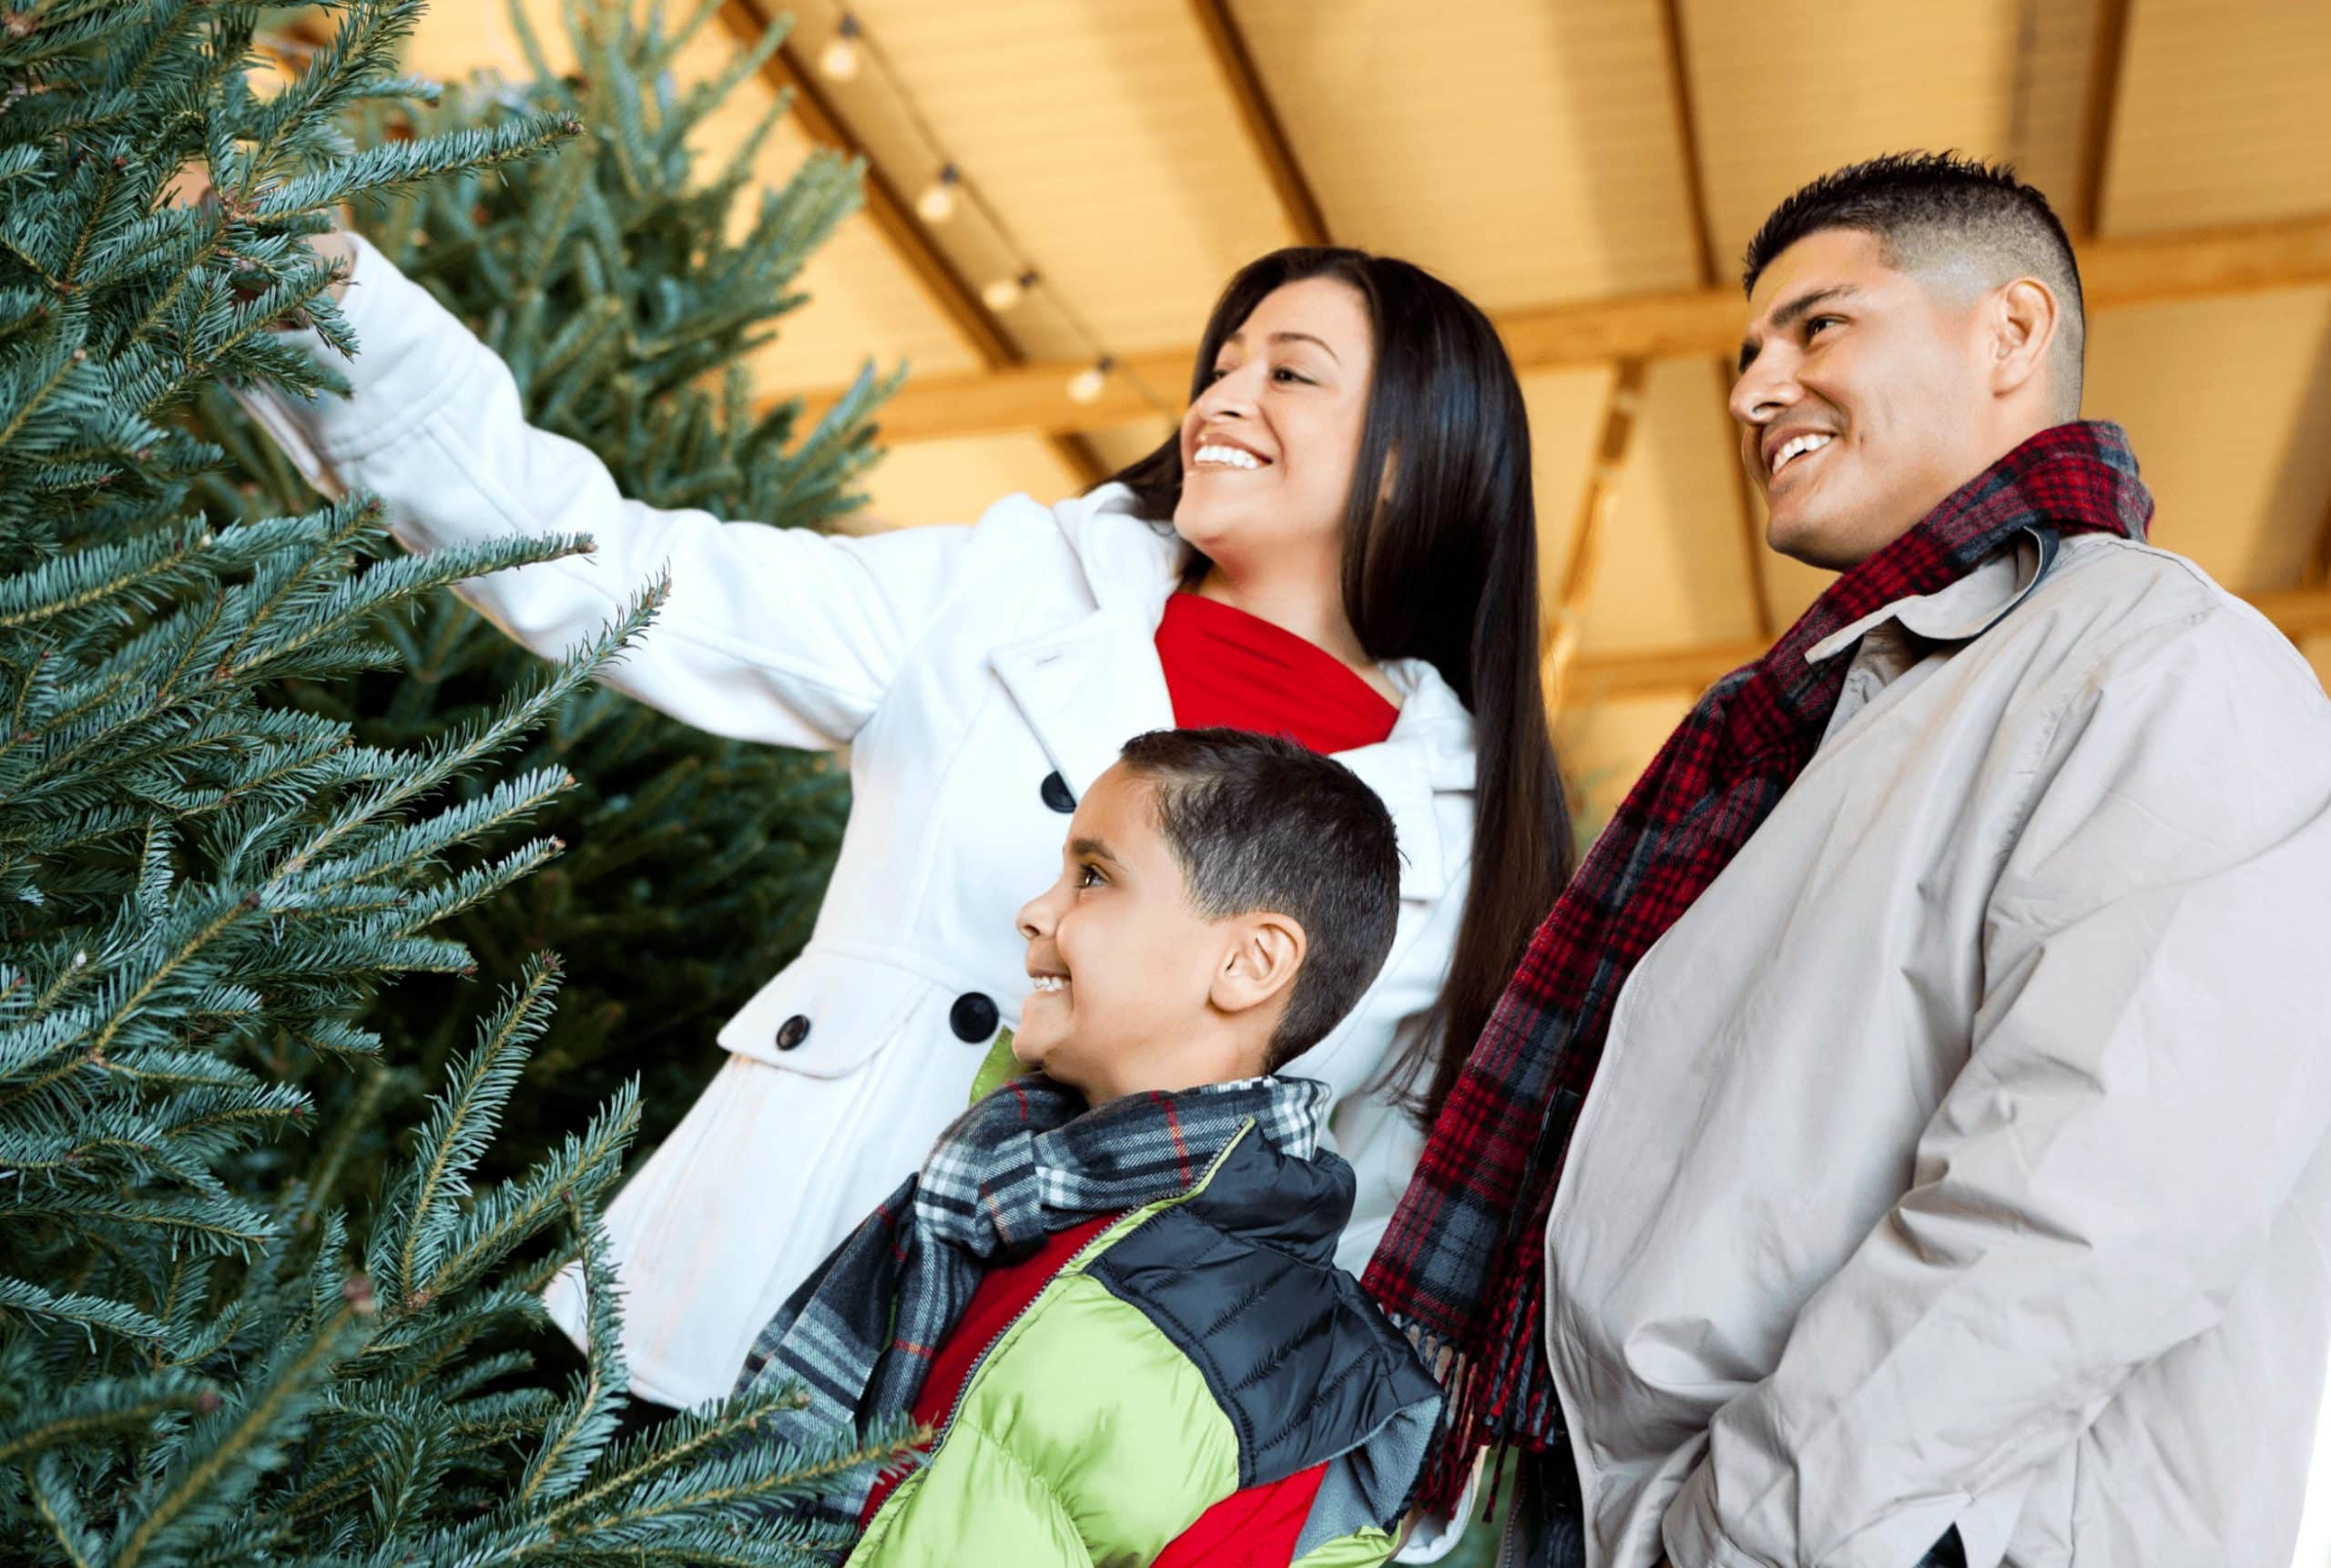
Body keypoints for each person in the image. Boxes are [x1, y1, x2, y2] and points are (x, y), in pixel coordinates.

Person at [240, 229, 1569, 1415]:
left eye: (1291, 371)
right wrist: (326, 303)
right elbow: (619, 570)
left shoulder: (1457, 831)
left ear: (1419, 454)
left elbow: (1366, 1226)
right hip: (744, 1320)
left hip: (1043, 1437)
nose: (1223, 394)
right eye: (1223, 362)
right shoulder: (1007, 590)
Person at [1365, 152, 2331, 1567]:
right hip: (1640, 1508)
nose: (1755, 389)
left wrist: (1743, 1531)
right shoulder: (1807, 726)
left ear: (2011, 333)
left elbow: (2091, 1207)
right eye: (1750, 349)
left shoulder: (2161, 667)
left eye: (1819, 326)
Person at [738, 729, 1440, 1567]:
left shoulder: (1280, 1370)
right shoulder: (992, 1187)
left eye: (1094, 876)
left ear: (1249, 963)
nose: (1035, 911)